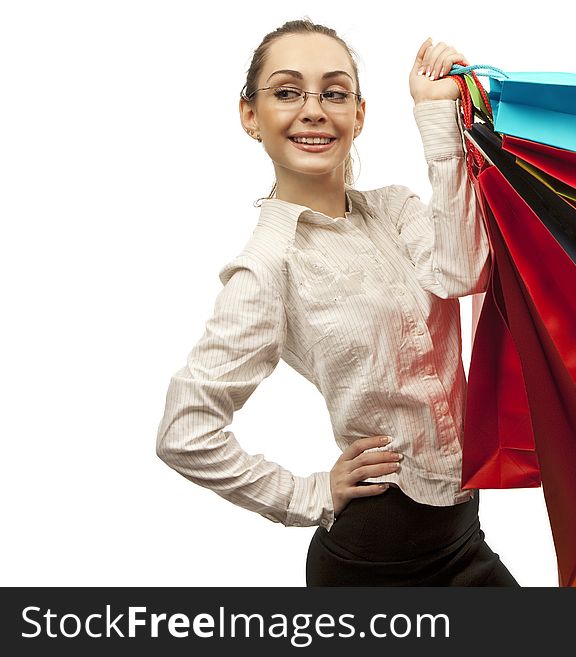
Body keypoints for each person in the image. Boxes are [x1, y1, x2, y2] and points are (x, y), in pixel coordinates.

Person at [155, 18, 519, 587]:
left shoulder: (395, 211)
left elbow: (463, 270)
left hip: (464, 534)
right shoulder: (267, 266)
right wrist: (308, 493)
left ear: (360, 112)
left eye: (333, 92)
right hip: (372, 558)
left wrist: (435, 116)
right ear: (250, 115)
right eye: (287, 91)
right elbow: (185, 432)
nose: (314, 109)